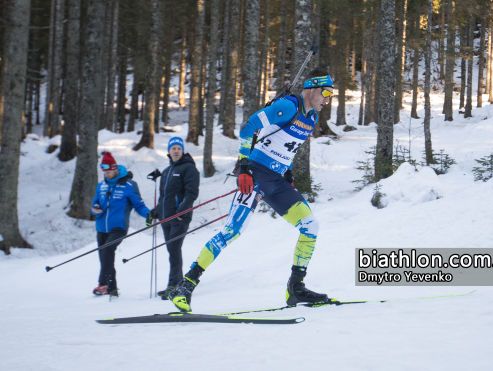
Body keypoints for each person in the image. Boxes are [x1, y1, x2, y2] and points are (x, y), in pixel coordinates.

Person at [168, 68, 335, 312]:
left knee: (310, 226)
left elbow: (286, 145)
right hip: (255, 174)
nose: (328, 99)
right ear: (312, 89)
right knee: (232, 231)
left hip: (276, 180)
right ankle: (186, 284)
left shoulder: (312, 119)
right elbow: (248, 129)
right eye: (326, 92)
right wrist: (244, 166)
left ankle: (296, 288)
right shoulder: (289, 107)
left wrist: (286, 171)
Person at [91, 151, 151, 296]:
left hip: (119, 228)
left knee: (107, 251)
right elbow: (94, 205)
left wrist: (149, 214)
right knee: (105, 257)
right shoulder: (101, 186)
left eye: (108, 169)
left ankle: (103, 284)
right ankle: (112, 288)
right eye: (103, 169)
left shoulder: (128, 185)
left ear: (115, 168)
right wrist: (95, 210)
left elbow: (139, 205)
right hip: (101, 228)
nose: (106, 172)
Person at [148, 136, 200, 300]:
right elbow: (164, 197)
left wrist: (182, 212)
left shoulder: (189, 169)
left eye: (178, 148)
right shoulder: (166, 171)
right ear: (169, 151)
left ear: (182, 150)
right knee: (172, 251)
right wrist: (155, 212)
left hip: (179, 218)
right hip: (165, 218)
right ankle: (174, 283)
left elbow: (191, 193)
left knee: (174, 250)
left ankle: (175, 285)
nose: (176, 151)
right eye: (173, 148)